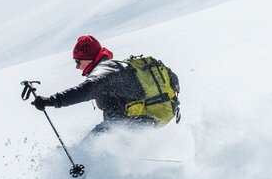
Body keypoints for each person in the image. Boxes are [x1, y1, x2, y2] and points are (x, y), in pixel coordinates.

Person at [32, 35, 179, 136]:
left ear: (89, 58)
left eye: (78, 61)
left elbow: (86, 91)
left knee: (94, 143)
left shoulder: (105, 70)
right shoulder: (117, 67)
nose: (77, 67)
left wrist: (51, 100)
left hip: (140, 120)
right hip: (151, 117)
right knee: (103, 135)